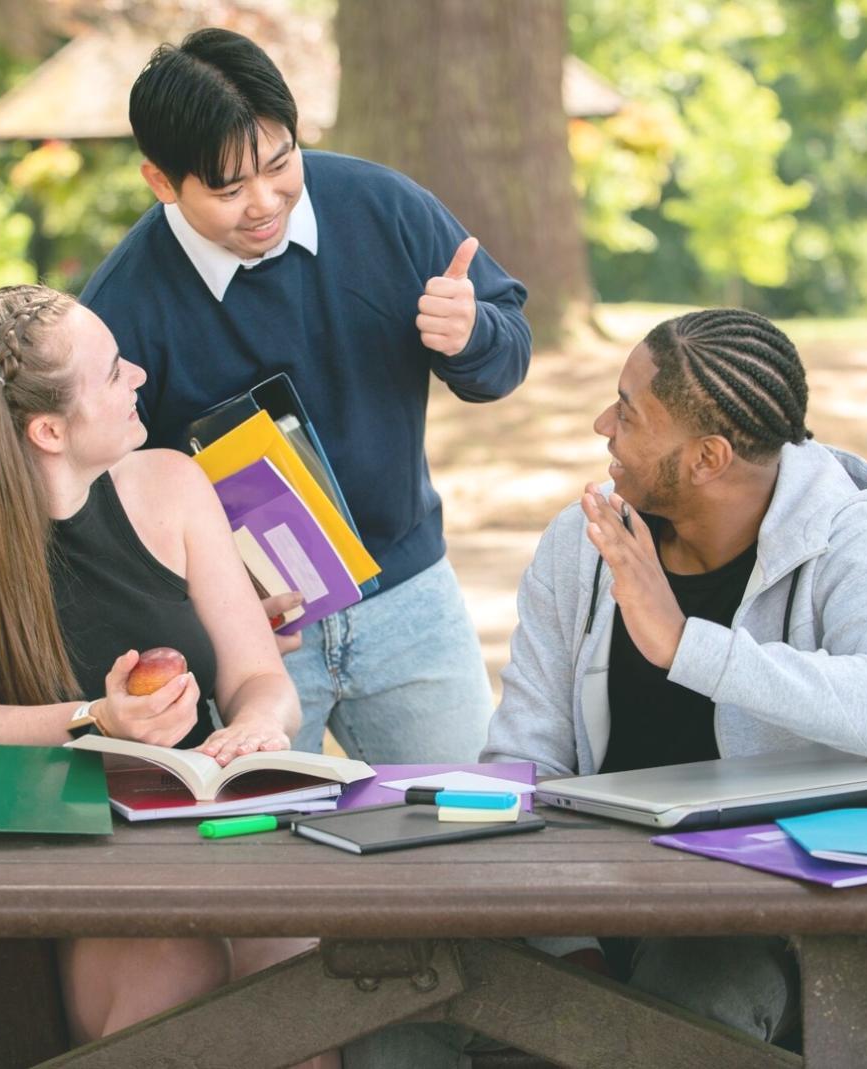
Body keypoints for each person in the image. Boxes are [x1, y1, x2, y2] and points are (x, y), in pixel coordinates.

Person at [0, 284, 333, 1063]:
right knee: (176, 967)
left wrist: (256, 722)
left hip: (207, 842)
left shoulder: (173, 483)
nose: (140, 375)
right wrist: (95, 721)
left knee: (304, 983)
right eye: (114, 371)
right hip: (57, 879)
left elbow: (260, 676)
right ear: (49, 428)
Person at [479, 307, 867, 1050]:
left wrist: (686, 646)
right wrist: (563, 946)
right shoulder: (582, 546)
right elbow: (525, 763)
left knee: (683, 1009)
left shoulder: (844, 539)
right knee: (405, 1025)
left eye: (630, 413)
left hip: (763, 924)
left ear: (706, 459)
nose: (602, 423)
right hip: (583, 906)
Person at [81, 27, 532, 765]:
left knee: (464, 834)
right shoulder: (121, 308)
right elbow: (97, 504)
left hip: (412, 604)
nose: (264, 202)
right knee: (251, 864)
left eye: (280, 164)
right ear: (162, 182)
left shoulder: (383, 208)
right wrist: (205, 610)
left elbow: (506, 355)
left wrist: (474, 333)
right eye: (229, 189)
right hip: (247, 637)